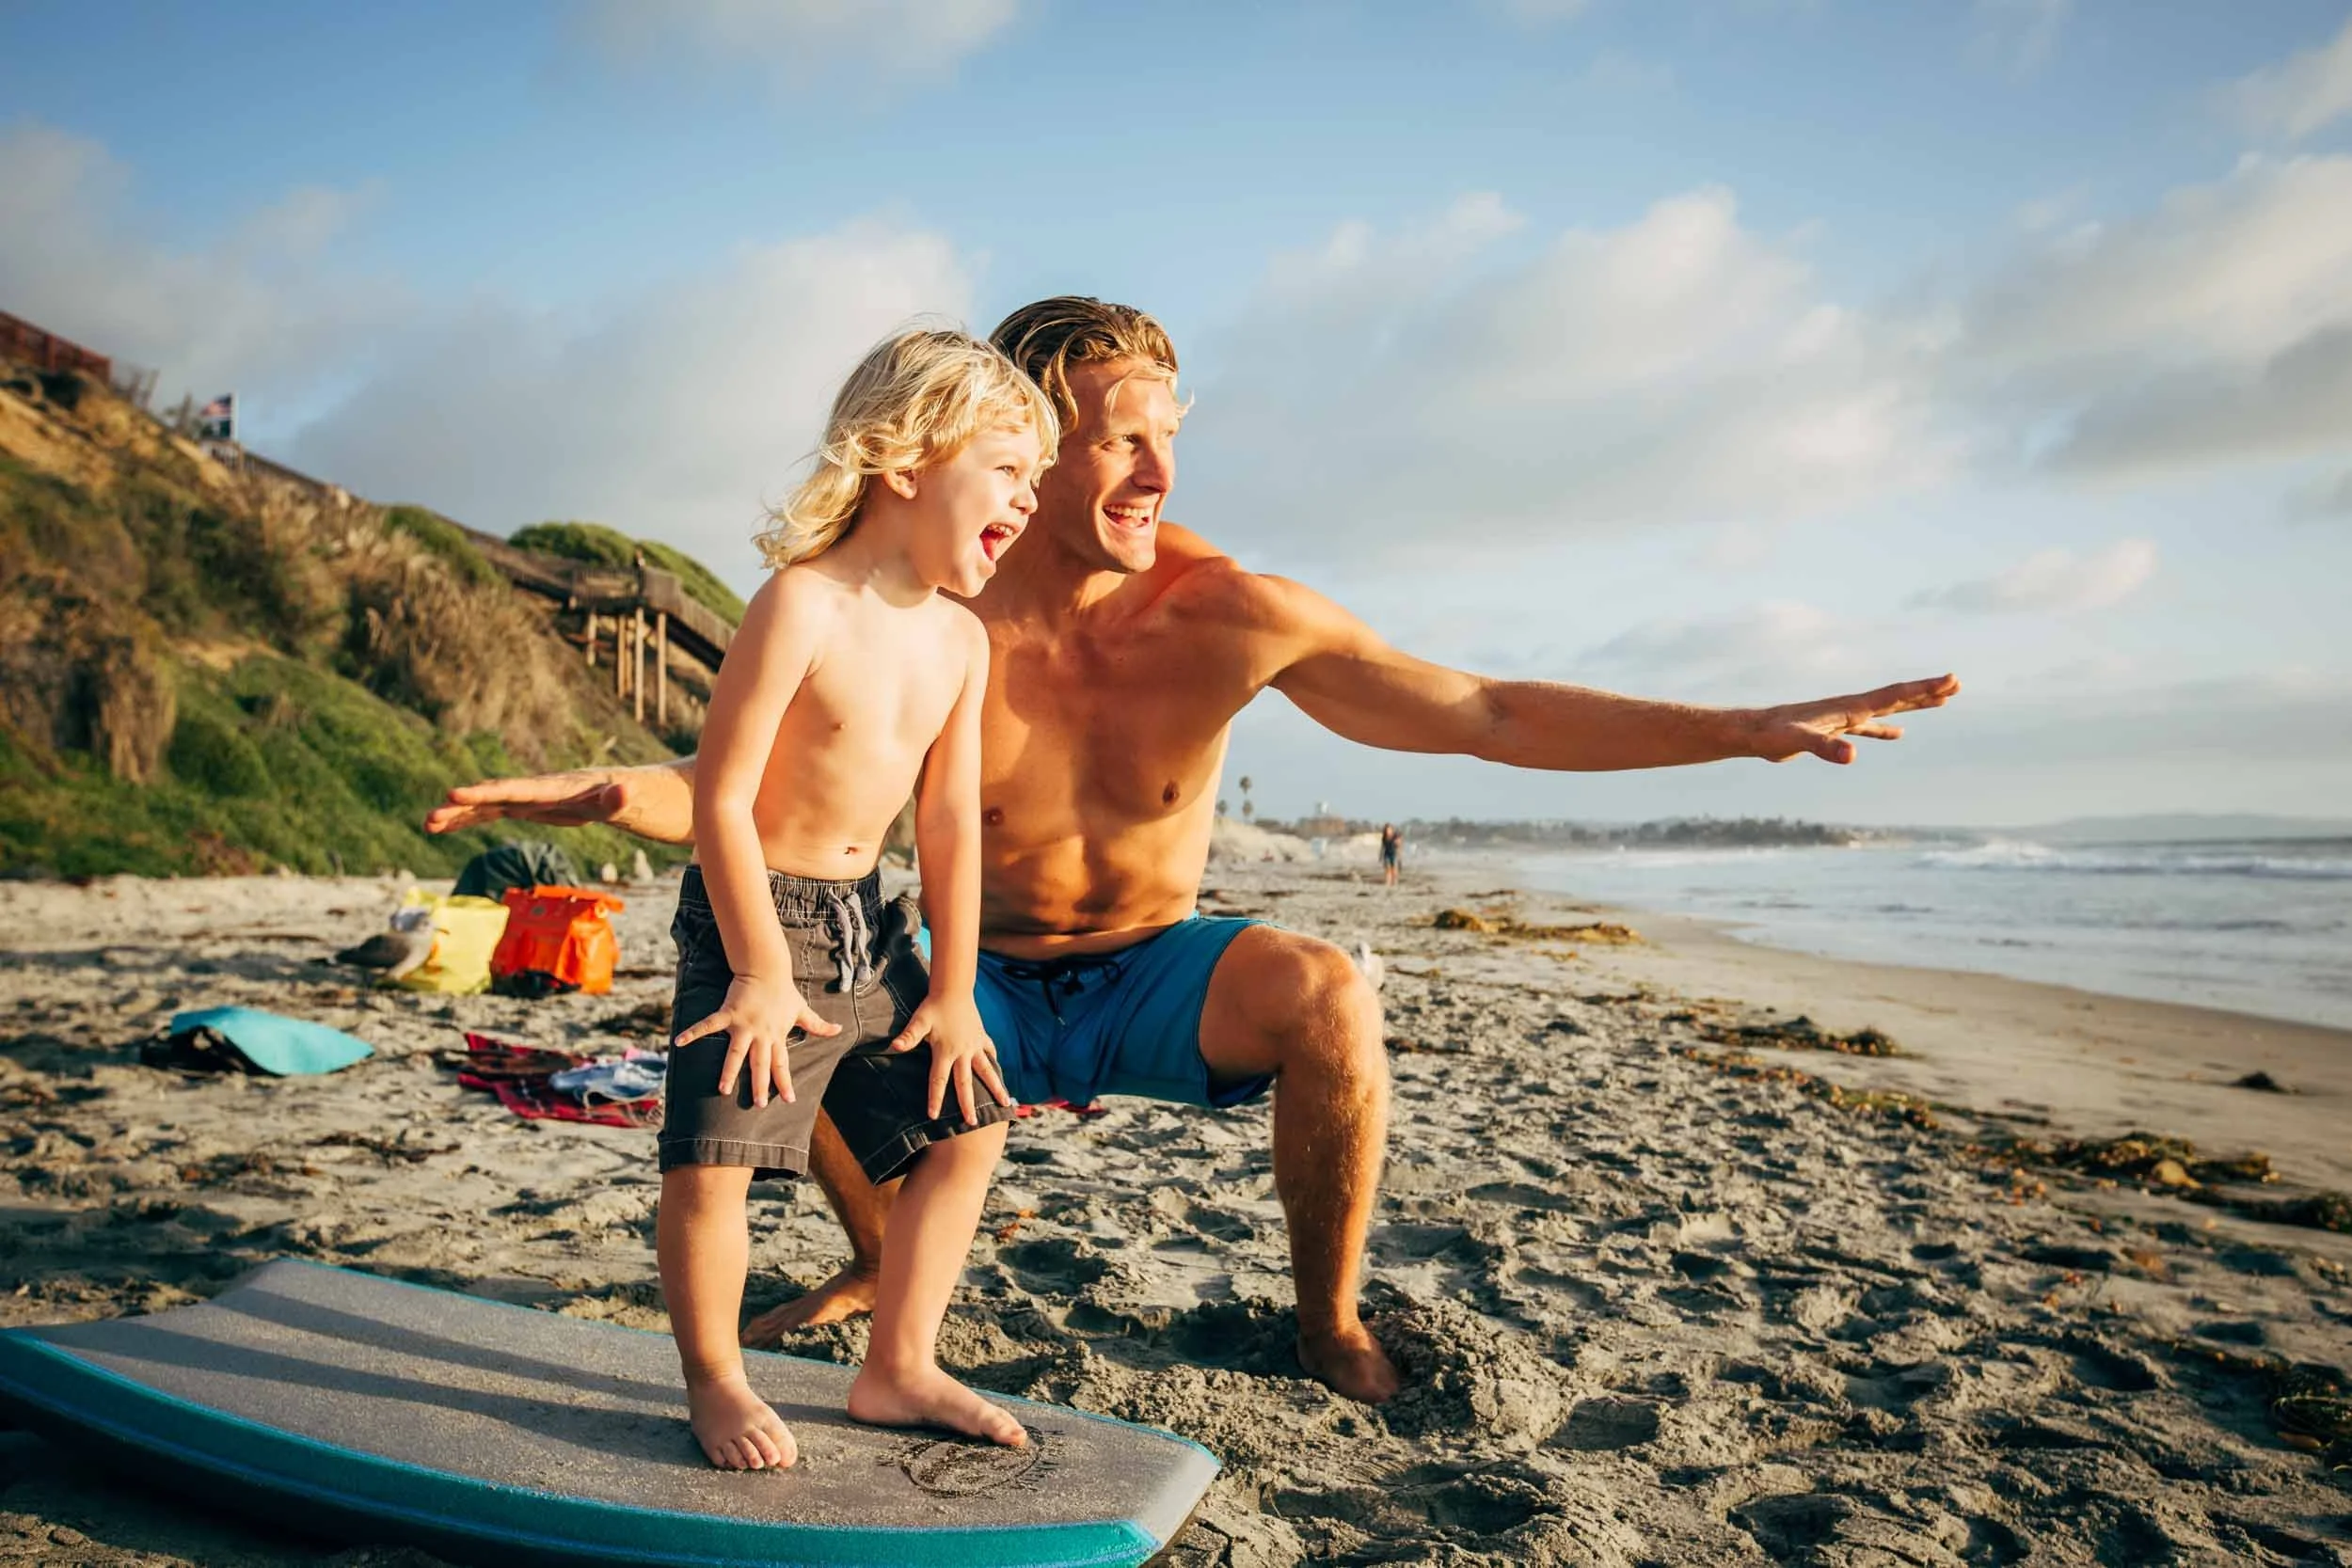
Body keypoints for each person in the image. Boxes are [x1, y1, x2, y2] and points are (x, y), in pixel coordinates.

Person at [428, 296, 1959, 1405]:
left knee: (1329, 990)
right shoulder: (925, 611)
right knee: (828, 1003)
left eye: (1169, 437)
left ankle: (1326, 1322)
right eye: (1118, 440)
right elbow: (764, 795)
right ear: (1017, 446)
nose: (1158, 472)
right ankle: (879, 1266)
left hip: (1149, 968)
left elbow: (1487, 711)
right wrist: (588, 794)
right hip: (982, 970)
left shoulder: (1229, 612)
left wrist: (1743, 725)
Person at [655, 327, 1053, 1470]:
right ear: (905, 459)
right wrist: (757, 968)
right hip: (756, 921)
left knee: (969, 1124)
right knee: (714, 1161)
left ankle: (898, 1363)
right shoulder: (802, 604)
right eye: (1008, 469)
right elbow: (721, 797)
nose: (1028, 499)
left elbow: (947, 824)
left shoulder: (961, 640)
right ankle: (716, 1378)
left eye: (1034, 479)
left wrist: (957, 991)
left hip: (870, 927)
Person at [1378, 824, 1403, 889]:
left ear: (1392, 830)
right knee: (1388, 869)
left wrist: (1400, 857)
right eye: (1387, 830)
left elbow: (1399, 846)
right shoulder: (1384, 838)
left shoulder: (1395, 836)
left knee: (1394, 869)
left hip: (1394, 855)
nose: (1388, 831)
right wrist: (1380, 855)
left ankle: (1394, 882)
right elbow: (1383, 847)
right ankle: (1388, 882)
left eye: (1389, 829)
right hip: (1387, 854)